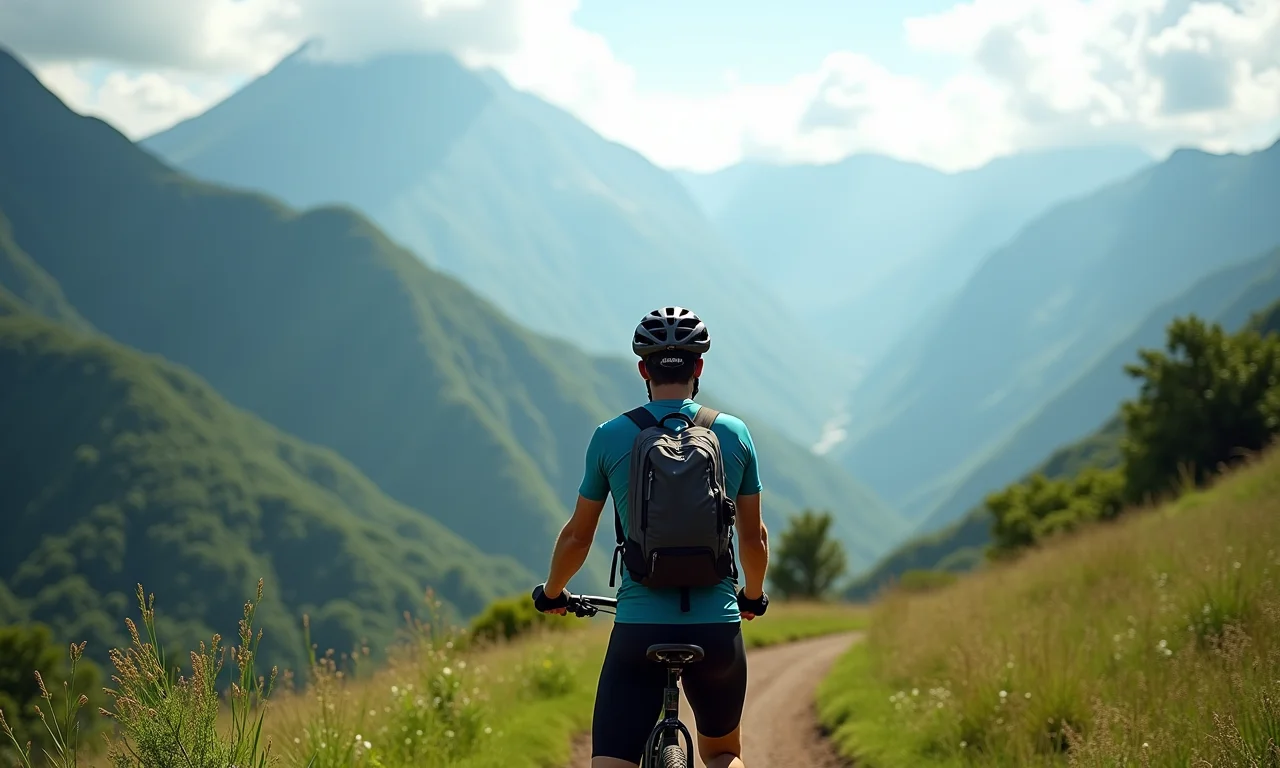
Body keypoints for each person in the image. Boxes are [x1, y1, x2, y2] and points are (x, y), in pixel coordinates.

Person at [532, 306, 770, 768]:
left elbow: (579, 538)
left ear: (643, 369)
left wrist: (553, 592)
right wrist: (753, 596)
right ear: (699, 367)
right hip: (717, 628)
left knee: (611, 763)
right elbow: (753, 537)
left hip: (640, 630)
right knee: (723, 753)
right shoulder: (734, 434)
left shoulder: (611, 436)